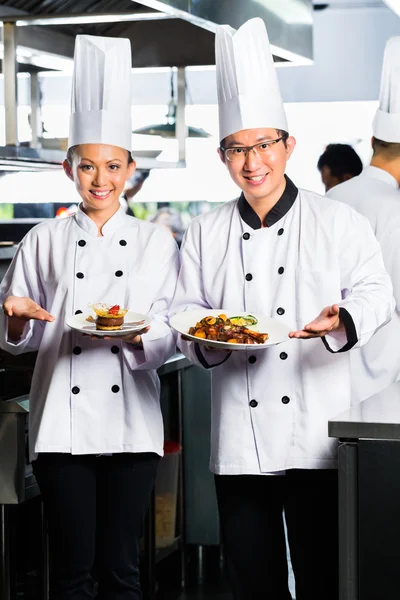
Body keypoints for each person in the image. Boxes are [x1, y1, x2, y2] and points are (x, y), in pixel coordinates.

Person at [170, 18, 394, 600]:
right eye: (237, 149)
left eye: (264, 145)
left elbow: (377, 295)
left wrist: (341, 320)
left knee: (323, 578)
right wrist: (208, 339)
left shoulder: (338, 221)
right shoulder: (205, 231)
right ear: (223, 156)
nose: (252, 162)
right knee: (252, 583)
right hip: (239, 443)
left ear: (288, 146)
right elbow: (186, 308)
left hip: (316, 433)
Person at [0, 35, 179, 600]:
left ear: (130, 169)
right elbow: (16, 337)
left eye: (112, 166)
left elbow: (170, 331)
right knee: (72, 574)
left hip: (132, 424)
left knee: (123, 572)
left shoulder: (156, 242)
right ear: (68, 167)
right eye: (87, 167)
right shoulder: (43, 238)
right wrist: (14, 318)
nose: (100, 180)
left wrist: (136, 335)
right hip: (61, 428)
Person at [327, 37, 400, 403]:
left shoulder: (331, 198)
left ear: (372, 141)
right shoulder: (395, 207)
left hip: (327, 370)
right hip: (382, 380)